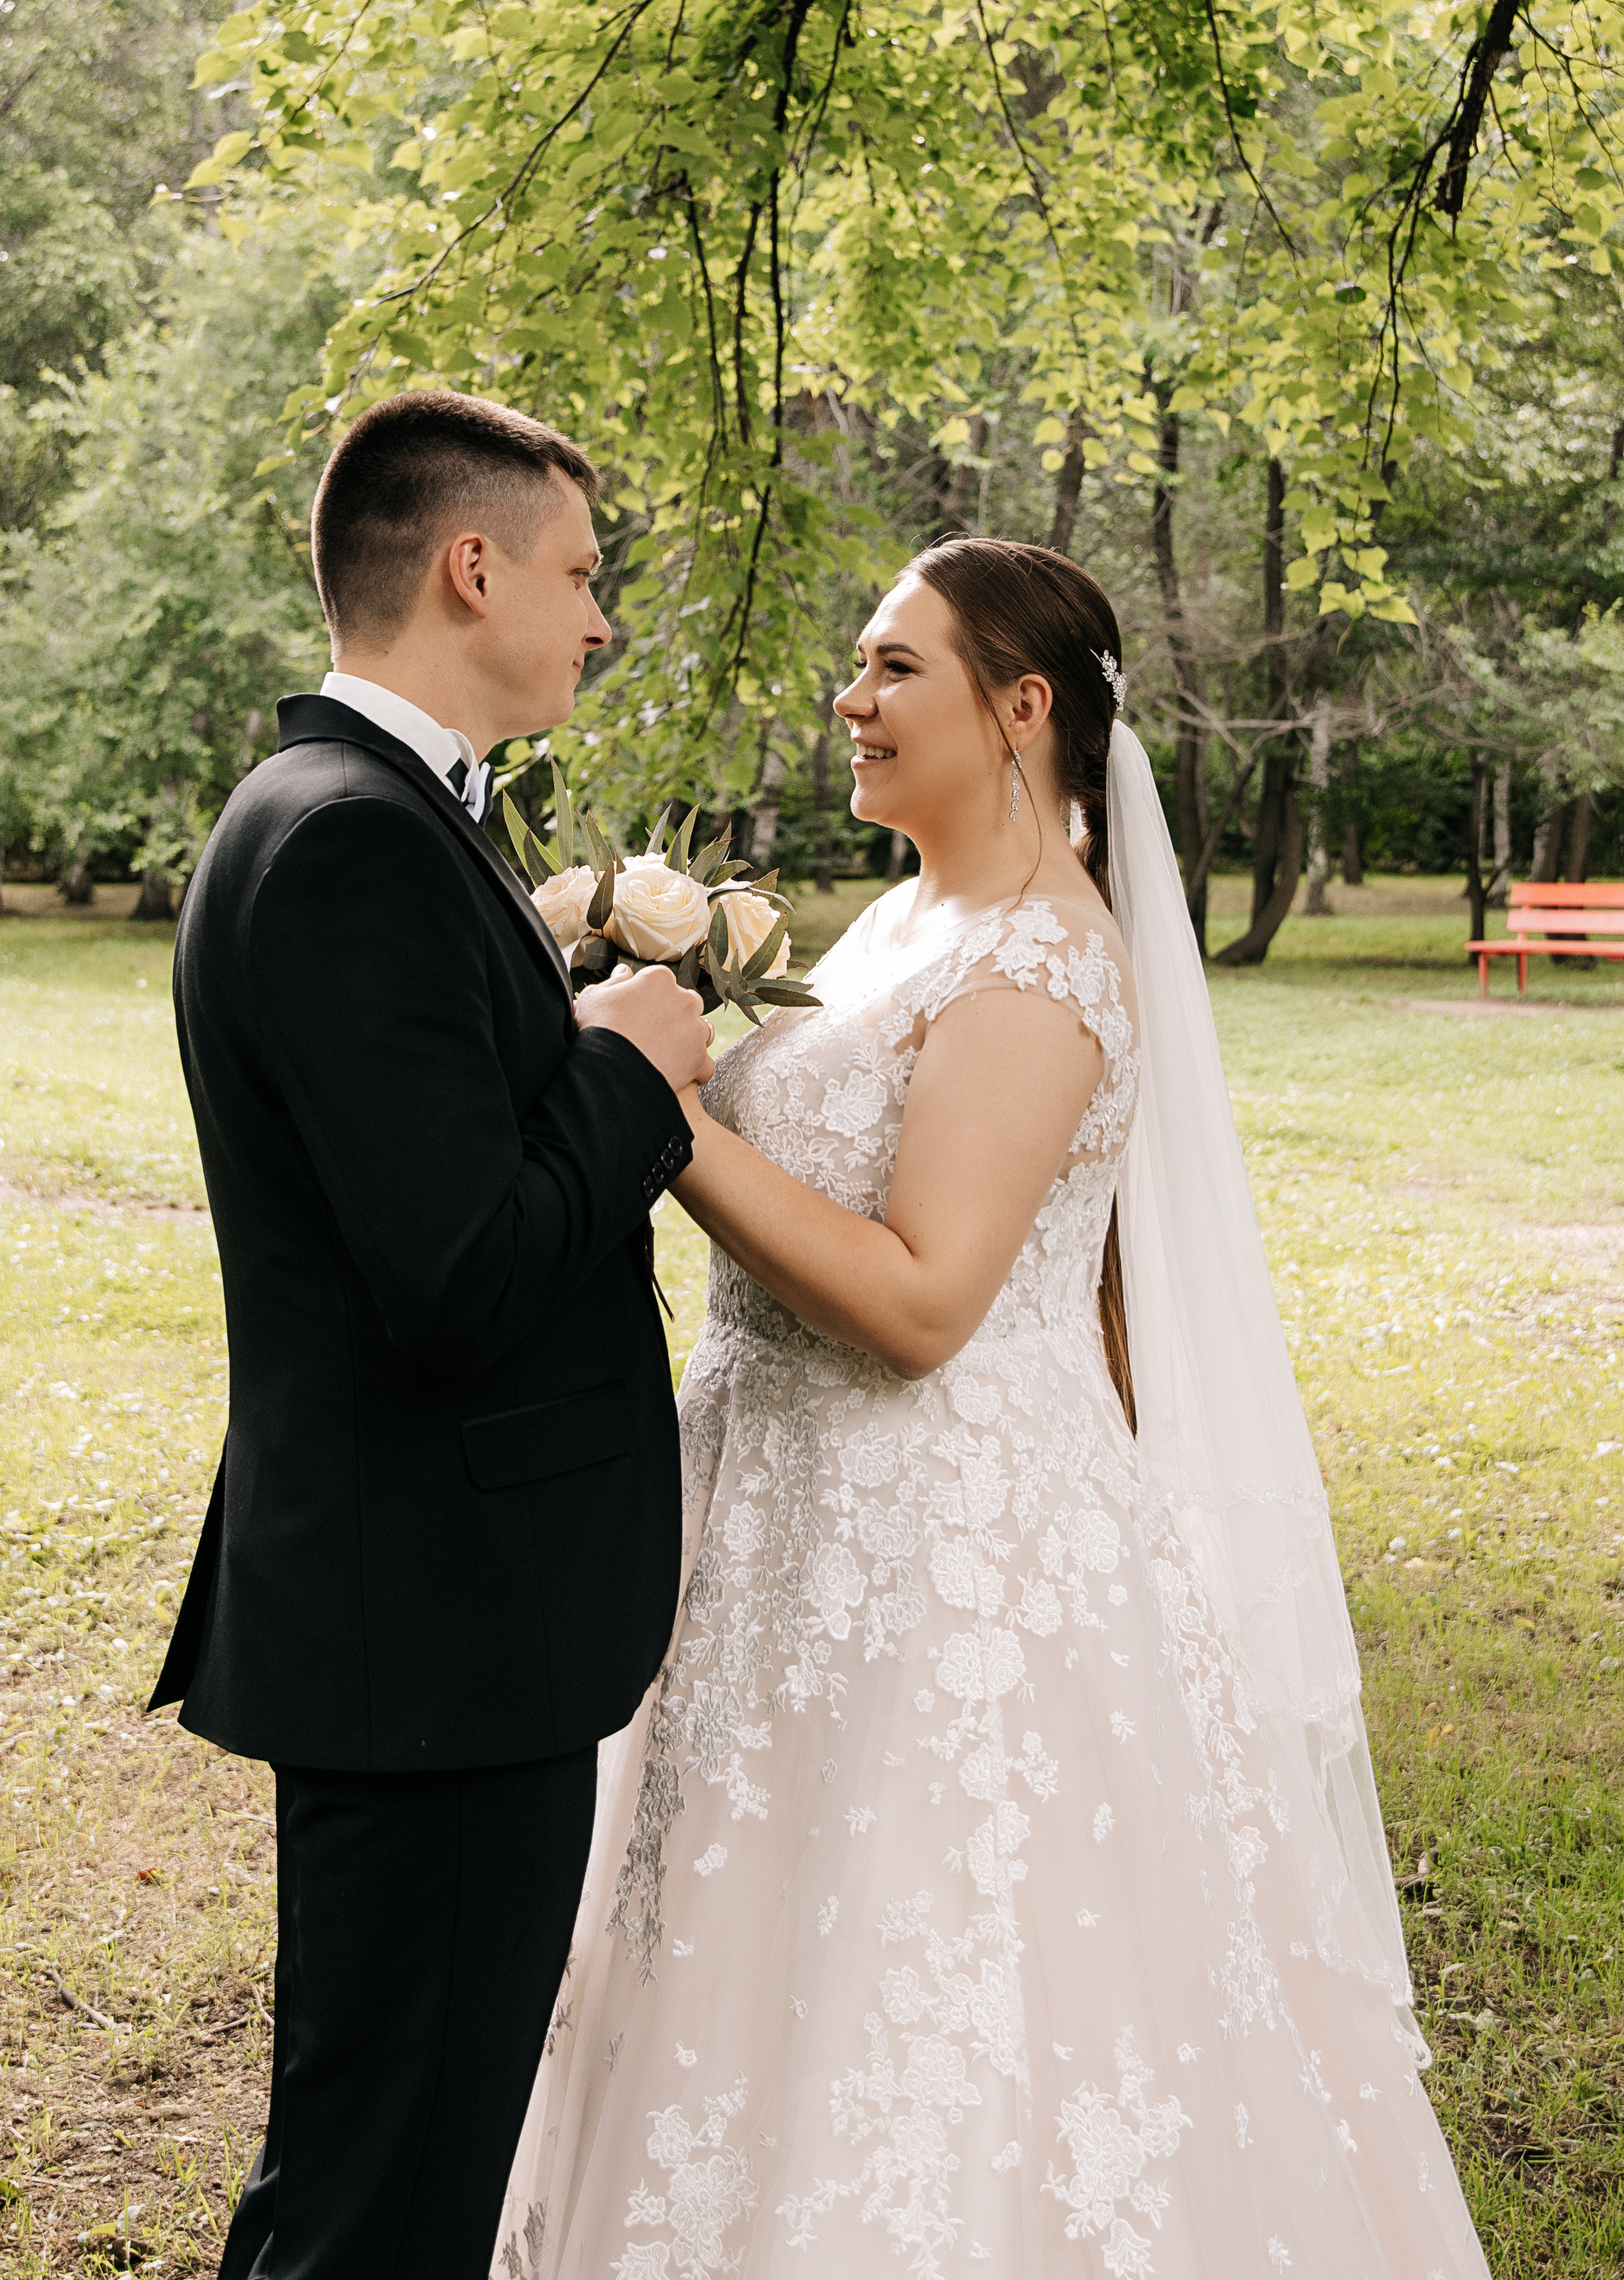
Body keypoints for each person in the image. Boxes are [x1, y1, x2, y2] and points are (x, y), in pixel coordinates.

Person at [496, 538, 1491, 2278]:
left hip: (940, 1557)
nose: (850, 700)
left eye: (894, 669)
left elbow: (924, 1303)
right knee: (739, 1959)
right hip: (773, 1529)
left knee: (939, 1979)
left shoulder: (1036, 966)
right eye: (858, 667)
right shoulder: (903, 920)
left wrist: (651, 1111)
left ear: (1020, 707)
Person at [146, 390, 714, 2280]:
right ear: (471, 567)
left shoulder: (378, 819)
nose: (599, 616)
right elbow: (464, 1274)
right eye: (579, 572)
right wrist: (628, 1073)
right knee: (383, 2204)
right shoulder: (347, 844)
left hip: (434, 1617)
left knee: (374, 2168)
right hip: (441, 1631)